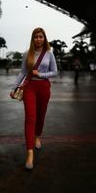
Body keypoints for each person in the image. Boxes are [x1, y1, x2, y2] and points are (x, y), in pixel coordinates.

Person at [10, 27, 58, 170]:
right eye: (36, 37)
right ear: (33, 39)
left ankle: (37, 136)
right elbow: (23, 72)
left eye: (41, 37)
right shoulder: (27, 54)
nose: (38, 39)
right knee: (30, 118)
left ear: (44, 38)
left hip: (44, 88)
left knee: (41, 116)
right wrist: (14, 87)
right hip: (30, 88)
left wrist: (41, 75)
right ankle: (29, 152)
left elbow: (55, 72)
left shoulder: (49, 54)